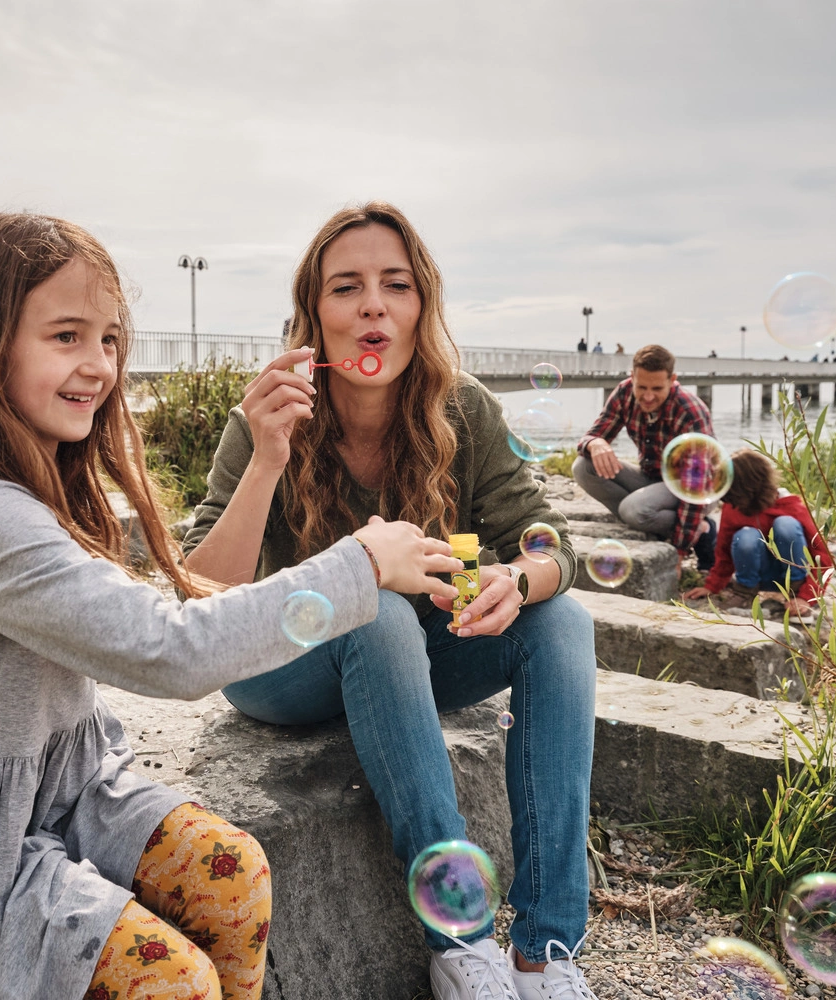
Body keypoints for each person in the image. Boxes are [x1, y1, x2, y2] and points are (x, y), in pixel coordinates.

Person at [0, 213, 463, 1000]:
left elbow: (164, 604)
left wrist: (276, 469)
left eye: (110, 339)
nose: (97, 366)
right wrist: (360, 563)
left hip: (65, 790)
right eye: (65, 337)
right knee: (176, 979)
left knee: (235, 878)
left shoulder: (39, 484)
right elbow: (172, 648)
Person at [184, 202, 598, 1000]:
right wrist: (267, 459)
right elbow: (205, 592)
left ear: (419, 308)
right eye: (347, 287)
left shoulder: (463, 408)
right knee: (373, 605)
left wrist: (520, 578)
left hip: (408, 657)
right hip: (279, 663)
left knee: (563, 623)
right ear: (316, 315)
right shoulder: (267, 412)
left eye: (395, 285)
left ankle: (547, 951)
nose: (373, 303)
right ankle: (463, 947)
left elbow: (548, 537)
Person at [571, 345, 718, 569]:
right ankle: (650, 520)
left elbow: (696, 485)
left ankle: (700, 528)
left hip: (696, 488)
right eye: (642, 387)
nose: (648, 396)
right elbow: (592, 435)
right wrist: (595, 442)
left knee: (634, 510)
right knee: (583, 467)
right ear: (632, 377)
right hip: (652, 478)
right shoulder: (624, 392)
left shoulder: (690, 412)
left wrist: (678, 551)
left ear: (673, 379)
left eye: (657, 388)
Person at [683, 449, 834, 617]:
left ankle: (794, 592)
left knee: (786, 525)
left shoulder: (791, 507)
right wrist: (712, 586)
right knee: (746, 535)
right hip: (757, 577)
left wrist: (806, 596)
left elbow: (823, 557)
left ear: (748, 487)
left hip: (791, 578)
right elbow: (723, 552)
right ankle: (745, 592)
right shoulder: (733, 508)